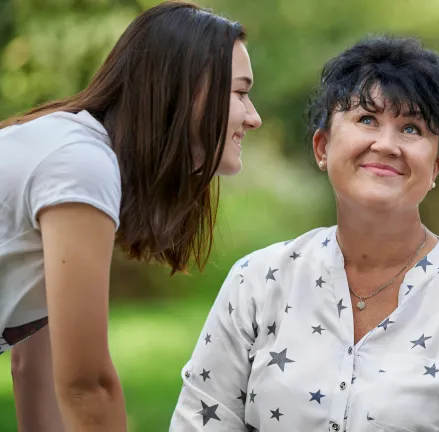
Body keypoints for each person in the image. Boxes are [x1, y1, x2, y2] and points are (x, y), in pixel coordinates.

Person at [170, 35, 439, 431]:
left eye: (411, 128)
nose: (387, 144)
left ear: (436, 168)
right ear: (322, 147)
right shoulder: (257, 284)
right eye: (366, 119)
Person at [0, 2, 261, 430]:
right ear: (182, 88)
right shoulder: (80, 164)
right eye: (240, 92)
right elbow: (87, 386)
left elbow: (37, 369)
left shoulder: (73, 153)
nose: (254, 117)